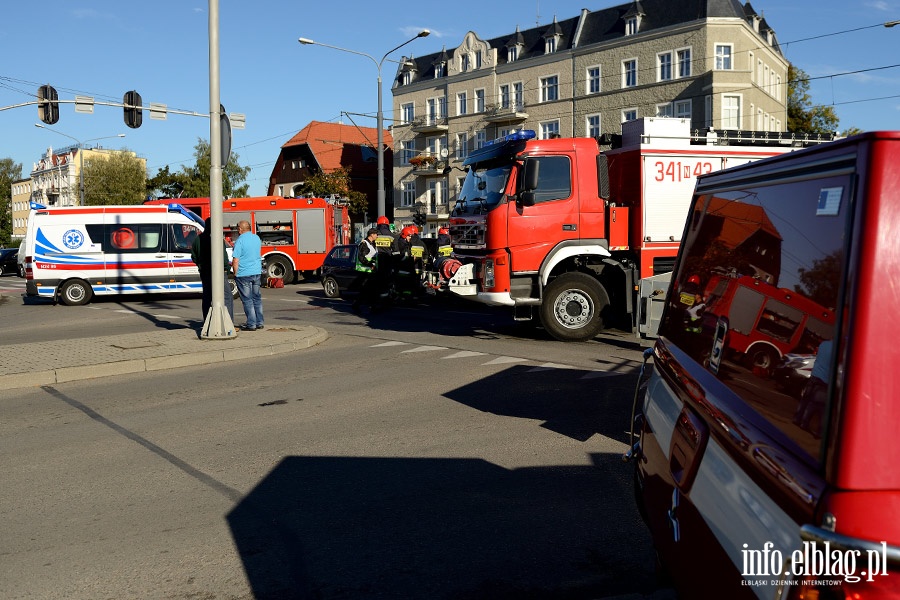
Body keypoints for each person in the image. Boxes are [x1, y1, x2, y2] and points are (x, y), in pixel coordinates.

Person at [191, 217, 234, 323]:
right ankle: (228, 322)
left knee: (207, 297)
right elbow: (223, 257)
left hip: (205, 272)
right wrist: (226, 269)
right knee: (227, 296)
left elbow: (194, 256)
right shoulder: (217, 239)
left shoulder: (198, 239)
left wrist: (200, 265)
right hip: (219, 272)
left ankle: (207, 321)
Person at [793, 338, 833, 438]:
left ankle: (797, 419)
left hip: (814, 375)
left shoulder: (824, 344)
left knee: (805, 399)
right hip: (824, 380)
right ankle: (807, 424)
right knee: (816, 404)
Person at [231, 220, 264, 331]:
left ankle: (251, 324)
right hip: (256, 272)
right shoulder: (256, 238)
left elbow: (236, 260)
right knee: (257, 298)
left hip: (243, 273)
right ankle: (260, 322)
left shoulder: (239, 241)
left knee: (247, 300)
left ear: (240, 229)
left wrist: (235, 274)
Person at [352, 228, 381, 313]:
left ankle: (371, 306)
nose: (377, 236)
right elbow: (361, 258)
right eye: (376, 234)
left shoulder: (372, 244)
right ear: (371, 234)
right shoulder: (365, 244)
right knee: (366, 290)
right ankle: (359, 305)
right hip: (365, 271)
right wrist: (370, 265)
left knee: (370, 290)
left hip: (371, 271)